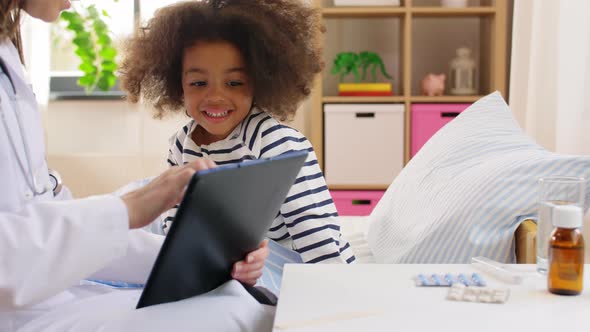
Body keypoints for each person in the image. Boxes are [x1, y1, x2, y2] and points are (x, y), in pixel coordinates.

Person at [0, 0, 271, 330]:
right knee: (243, 317)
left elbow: (52, 222)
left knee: (237, 297)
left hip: (52, 294)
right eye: (198, 82)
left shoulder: (9, 57)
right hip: (24, 311)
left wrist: (208, 259)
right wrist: (126, 209)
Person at [119, 0, 356, 264]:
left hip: (293, 269)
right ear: (178, 84)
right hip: (235, 266)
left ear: (260, 80)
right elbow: (178, 226)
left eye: (234, 83)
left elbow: (316, 234)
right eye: (198, 83)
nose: (216, 97)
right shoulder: (181, 146)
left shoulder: (280, 145)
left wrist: (331, 294)